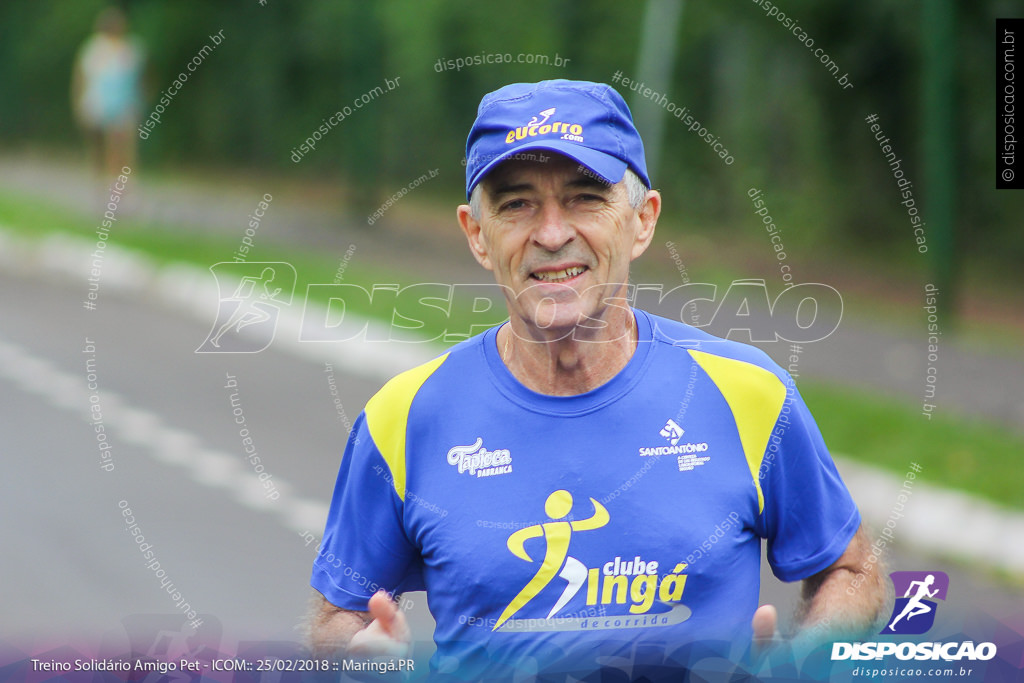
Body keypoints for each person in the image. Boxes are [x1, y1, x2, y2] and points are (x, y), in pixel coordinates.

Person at [307, 79, 886, 678]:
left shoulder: (746, 393)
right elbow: (339, 615)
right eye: (516, 204)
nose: (553, 234)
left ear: (642, 220)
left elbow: (850, 570)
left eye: (585, 197)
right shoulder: (403, 418)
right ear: (477, 235)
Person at [71, 6, 145, 179]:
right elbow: (82, 78)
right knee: (102, 149)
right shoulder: (94, 49)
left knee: (122, 148)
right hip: (100, 105)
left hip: (123, 105)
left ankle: (121, 186)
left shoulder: (130, 49)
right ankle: (105, 185)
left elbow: (137, 78)